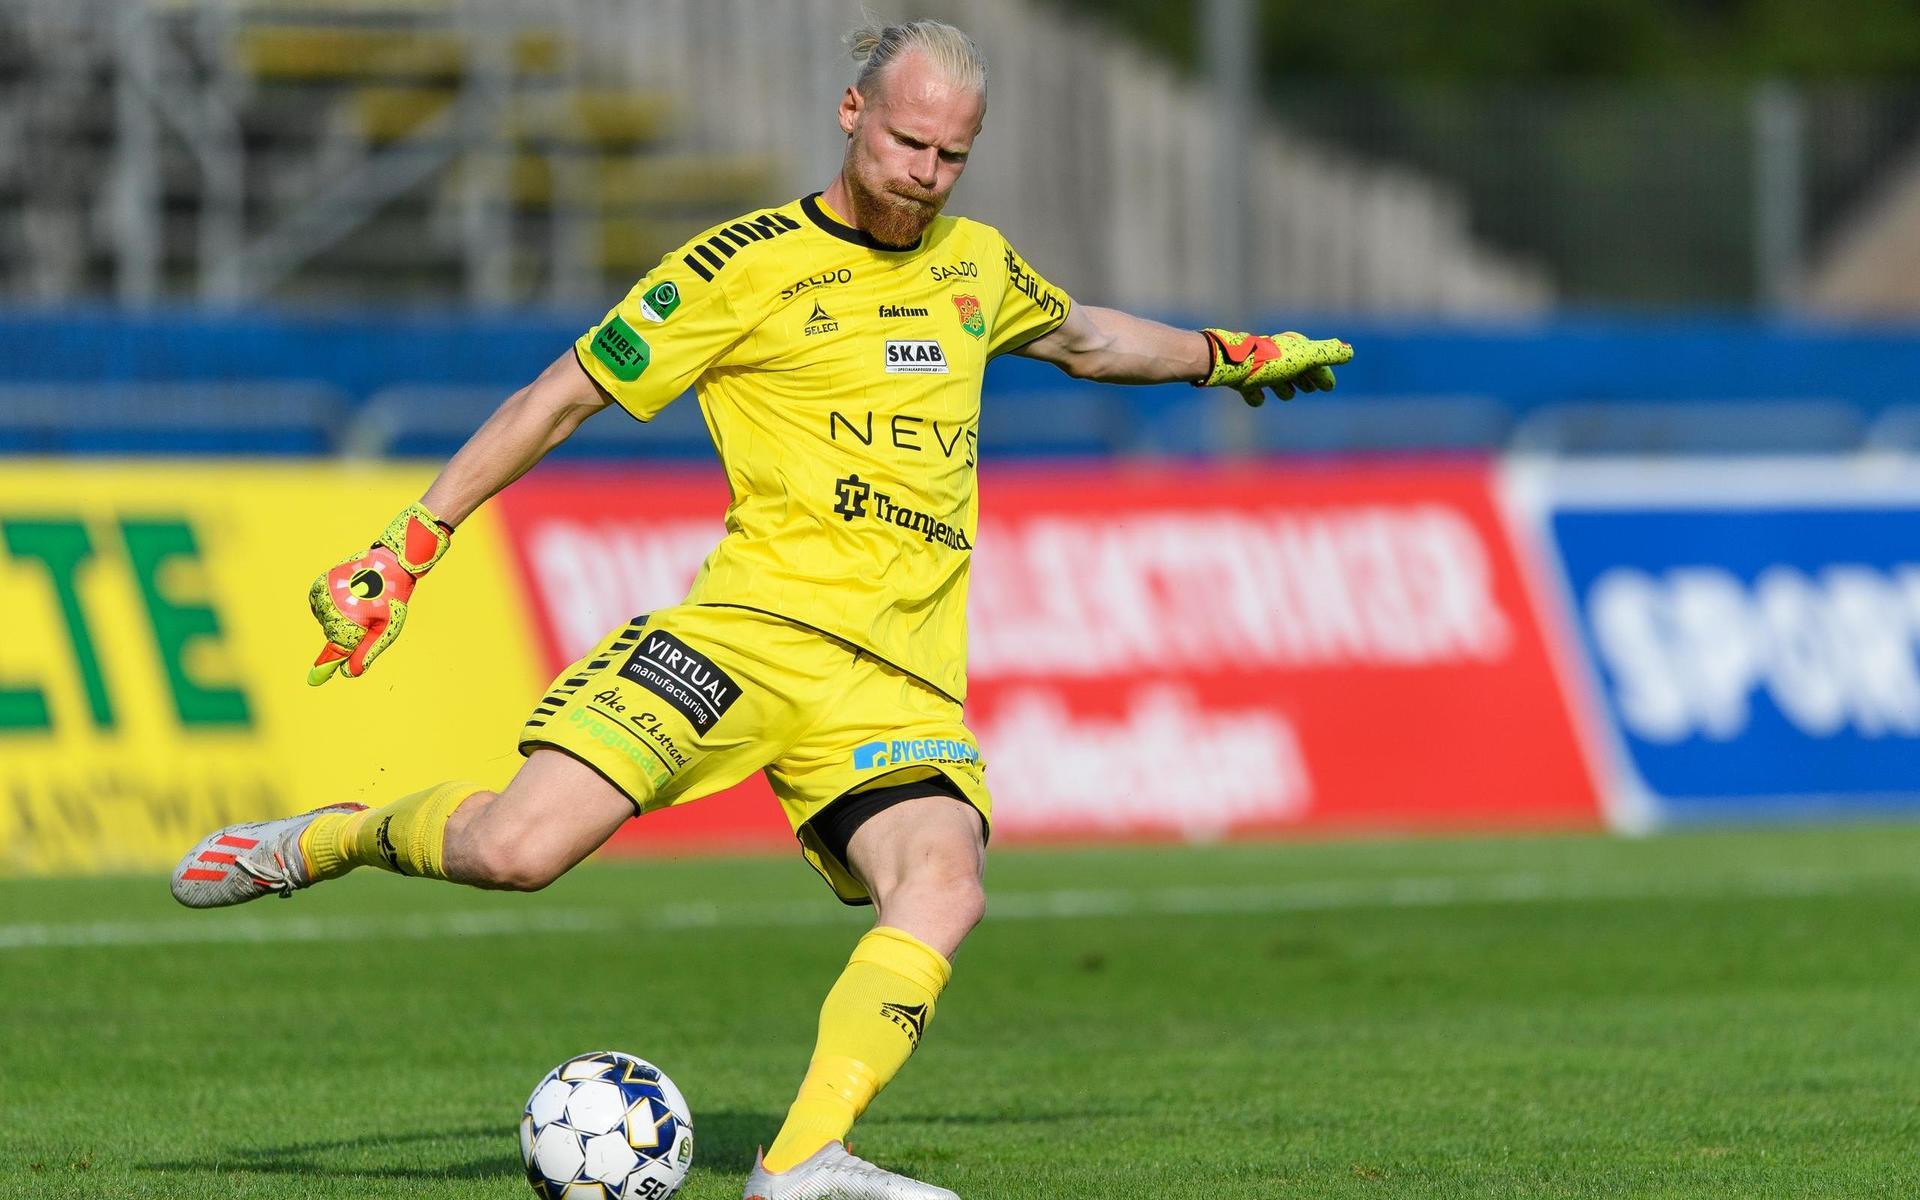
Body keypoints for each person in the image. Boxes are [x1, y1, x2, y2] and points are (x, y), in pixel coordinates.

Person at [170, 18, 1350, 1200]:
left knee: (945, 884)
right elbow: (558, 396)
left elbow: (1090, 338)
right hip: (738, 641)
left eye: (950, 157)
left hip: (891, 682)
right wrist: (412, 541)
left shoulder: (975, 266)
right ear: (851, 114)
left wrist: (1230, 354)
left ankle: (800, 1162)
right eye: (905, 145)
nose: (924, 178)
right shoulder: (739, 265)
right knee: (515, 852)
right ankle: (323, 838)